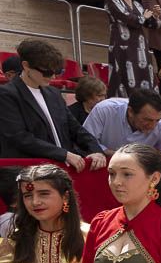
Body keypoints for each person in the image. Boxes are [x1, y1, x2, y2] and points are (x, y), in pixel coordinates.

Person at [0, 40, 107, 169]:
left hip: (61, 168)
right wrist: (64, 154)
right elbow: (19, 137)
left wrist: (95, 150)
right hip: (31, 169)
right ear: (26, 66)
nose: (53, 77)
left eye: (57, 71)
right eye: (47, 72)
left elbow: (75, 128)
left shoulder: (54, 93)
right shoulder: (6, 94)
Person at [84, 89, 161, 189]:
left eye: (157, 120)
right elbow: (84, 141)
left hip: (133, 183)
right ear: (130, 112)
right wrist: (108, 152)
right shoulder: (105, 110)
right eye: (147, 120)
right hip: (96, 177)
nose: (153, 126)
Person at [103, 0, 161, 98]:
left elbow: (150, 24)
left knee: (144, 79)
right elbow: (129, 19)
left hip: (141, 48)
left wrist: (155, 16)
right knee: (123, 78)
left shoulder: (136, 4)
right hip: (122, 47)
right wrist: (144, 17)